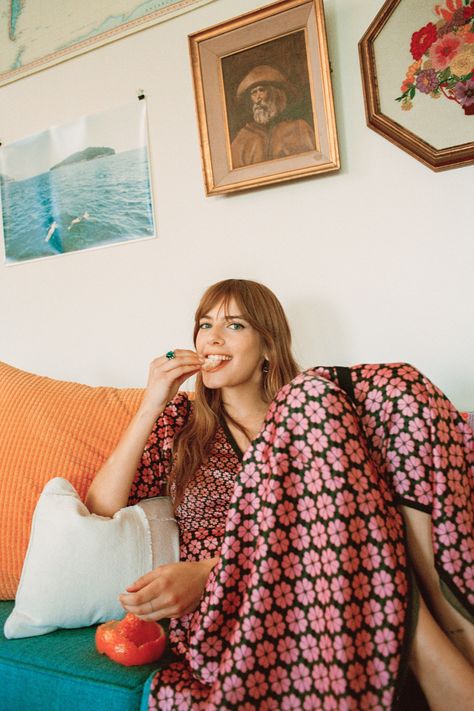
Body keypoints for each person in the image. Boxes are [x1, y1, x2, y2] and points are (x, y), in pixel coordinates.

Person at [86, 279, 474, 710]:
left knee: (375, 386)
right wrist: (151, 403)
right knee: (312, 394)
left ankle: (435, 612)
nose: (212, 336)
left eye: (234, 325)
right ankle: (424, 630)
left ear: (268, 347)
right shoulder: (182, 425)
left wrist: (210, 569)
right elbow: (101, 506)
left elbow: (349, 518)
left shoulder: (321, 418)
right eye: (204, 323)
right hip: (235, 610)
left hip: (340, 579)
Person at [230, 65, 316, 168]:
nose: (258, 98)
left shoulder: (299, 128)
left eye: (262, 90)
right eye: (253, 93)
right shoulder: (243, 138)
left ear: (275, 94)